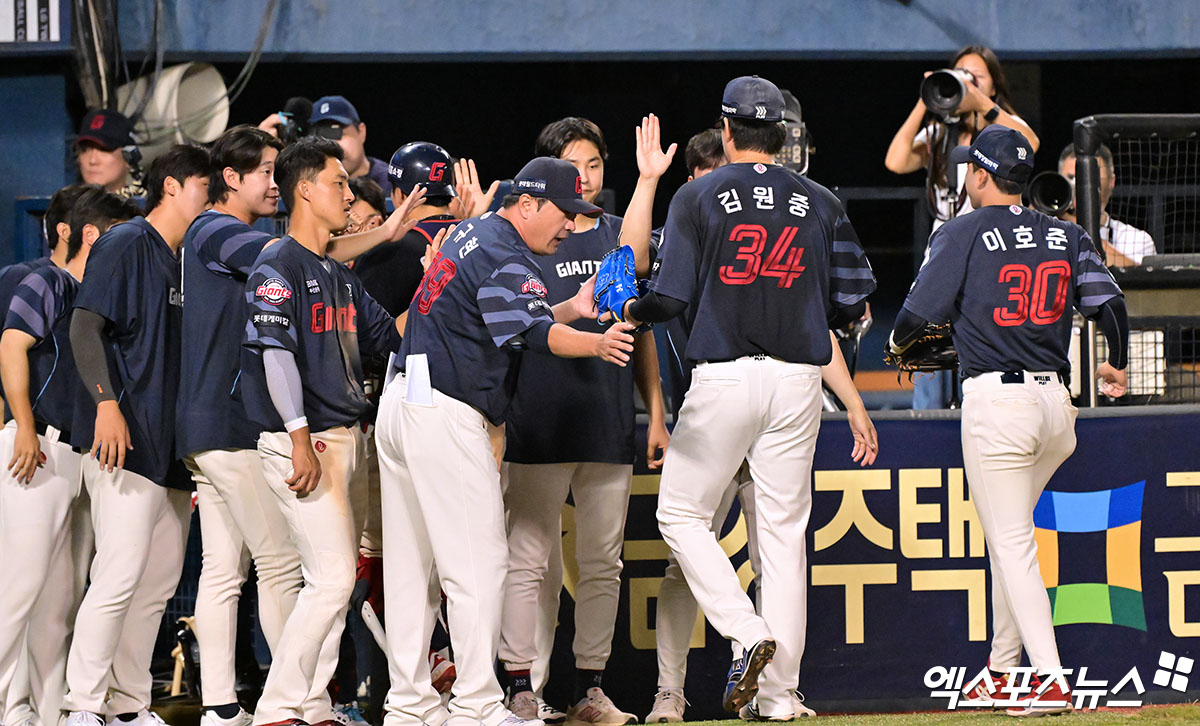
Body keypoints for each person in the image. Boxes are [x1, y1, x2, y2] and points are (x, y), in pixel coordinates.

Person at [620, 76, 878, 721]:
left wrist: (628, 304)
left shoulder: (698, 195)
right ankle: (781, 697)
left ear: (727, 131)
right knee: (784, 541)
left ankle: (745, 629)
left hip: (726, 378)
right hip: (798, 380)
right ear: (782, 135)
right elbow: (852, 302)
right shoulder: (821, 201)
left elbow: (670, 298)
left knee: (680, 517)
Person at [375, 156, 635, 726]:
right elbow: (535, 334)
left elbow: (503, 317)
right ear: (528, 205)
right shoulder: (505, 252)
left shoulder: (473, 231)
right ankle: (476, 704)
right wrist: (593, 343)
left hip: (403, 402)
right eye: (564, 213)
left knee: (412, 566)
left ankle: (410, 705)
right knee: (479, 562)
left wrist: (572, 307)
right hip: (441, 409)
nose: (570, 226)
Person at [888, 124, 1128, 716]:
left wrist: (905, 348)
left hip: (1000, 405)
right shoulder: (1066, 232)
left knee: (1012, 541)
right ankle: (1002, 669)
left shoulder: (963, 230)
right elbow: (1112, 306)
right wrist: (1117, 366)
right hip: (1056, 410)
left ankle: (1049, 679)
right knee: (1008, 532)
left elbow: (912, 319)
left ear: (980, 176)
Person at [499, 115, 673, 726]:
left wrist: (654, 411)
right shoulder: (519, 235)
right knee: (531, 560)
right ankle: (525, 689)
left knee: (603, 561)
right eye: (576, 167)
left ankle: (591, 690)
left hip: (604, 419)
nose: (588, 177)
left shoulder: (611, 233)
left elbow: (639, 317)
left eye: (597, 165)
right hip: (536, 420)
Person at [239, 137, 403, 726]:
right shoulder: (276, 262)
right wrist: (299, 435)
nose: (348, 193)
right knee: (332, 579)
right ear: (304, 188)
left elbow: (391, 335)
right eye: (337, 183)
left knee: (336, 584)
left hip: (343, 438)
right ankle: (278, 708)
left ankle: (311, 704)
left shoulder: (335, 270)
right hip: (303, 441)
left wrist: (444, 282)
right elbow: (273, 355)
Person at [63, 144, 212, 726]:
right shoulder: (127, 242)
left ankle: (129, 705)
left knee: (154, 586)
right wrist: (106, 405)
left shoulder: (185, 259)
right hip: (124, 439)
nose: (208, 198)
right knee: (118, 576)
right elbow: (84, 325)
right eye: (203, 185)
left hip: (169, 449)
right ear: (172, 186)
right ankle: (82, 704)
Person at [0, 188, 138, 726]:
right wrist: (24, 428)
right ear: (86, 233)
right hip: (37, 447)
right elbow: (11, 344)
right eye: (116, 232)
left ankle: (38, 710)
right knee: (17, 590)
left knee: (57, 602)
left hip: (73, 454)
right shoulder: (46, 278)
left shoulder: (88, 292)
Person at [885, 45, 1040, 410]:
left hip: (991, 249)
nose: (967, 82)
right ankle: (928, 428)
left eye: (976, 76)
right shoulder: (941, 132)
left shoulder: (999, 130)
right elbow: (895, 160)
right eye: (960, 75)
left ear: (993, 85)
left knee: (983, 342)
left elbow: (1029, 142)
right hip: (943, 250)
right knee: (926, 345)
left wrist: (978, 101)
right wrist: (928, 99)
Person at [1058, 143, 1156, 267]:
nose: (1078, 186)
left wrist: (1076, 224)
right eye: (1071, 178)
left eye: (1090, 178)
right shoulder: (1046, 230)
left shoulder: (1135, 239)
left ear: (1111, 182)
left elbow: (1135, 276)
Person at [310, 96, 392, 195]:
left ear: (361, 132)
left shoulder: (390, 184)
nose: (332, 146)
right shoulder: (310, 187)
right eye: (323, 137)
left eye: (337, 133)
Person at [75, 110, 137, 194]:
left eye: (104, 149)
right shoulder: (61, 205)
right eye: (85, 149)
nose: (93, 160)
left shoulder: (149, 206)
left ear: (129, 156)